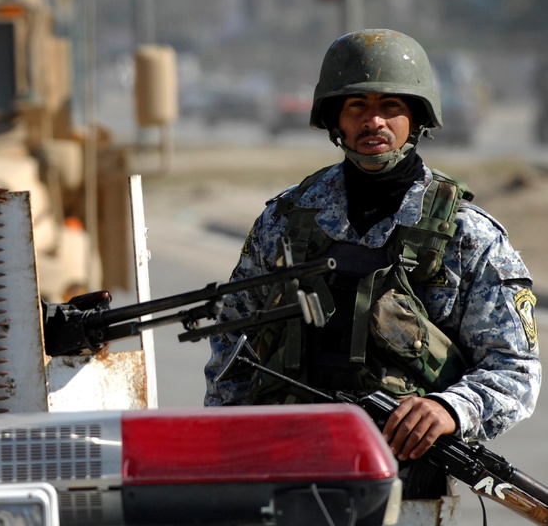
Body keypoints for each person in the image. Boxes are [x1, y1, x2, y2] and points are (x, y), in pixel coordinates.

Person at [204, 28, 540, 499]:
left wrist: (450, 408)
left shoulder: (467, 234)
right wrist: (228, 455)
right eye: (357, 106)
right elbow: (232, 343)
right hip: (286, 472)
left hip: (408, 485)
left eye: (391, 107)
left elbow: (514, 369)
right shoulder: (286, 219)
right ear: (335, 120)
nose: (373, 121)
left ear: (416, 118)